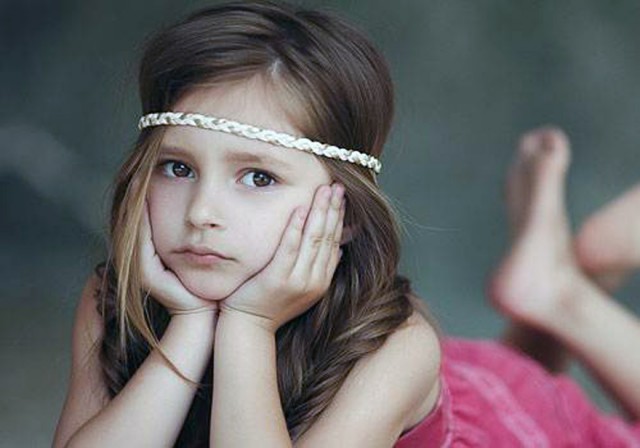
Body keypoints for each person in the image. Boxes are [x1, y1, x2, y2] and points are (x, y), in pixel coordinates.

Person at [51, 1, 640, 446]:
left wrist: (248, 326)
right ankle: (554, 289)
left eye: (257, 177)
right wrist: (188, 327)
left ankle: (564, 295)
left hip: (506, 426)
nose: (201, 213)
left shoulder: (397, 346)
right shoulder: (113, 297)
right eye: (176, 167)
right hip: (466, 392)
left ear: (348, 216)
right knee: (518, 377)